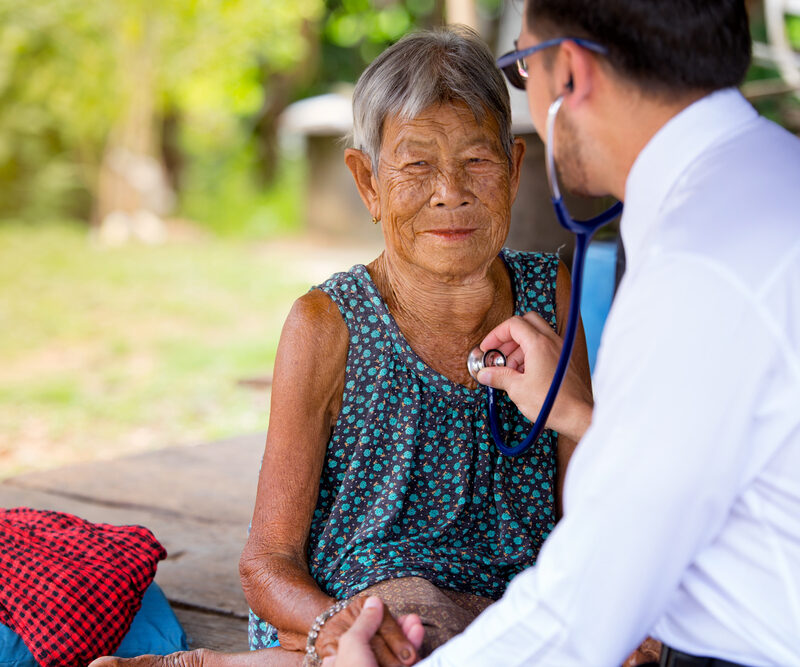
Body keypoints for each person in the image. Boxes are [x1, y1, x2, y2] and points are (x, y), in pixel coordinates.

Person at [89, 26, 597, 667]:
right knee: (413, 627)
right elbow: (266, 565)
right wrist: (335, 622)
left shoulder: (548, 297)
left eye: (477, 161)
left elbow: (590, 498)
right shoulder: (327, 325)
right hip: (371, 613)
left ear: (515, 169)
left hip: (519, 607)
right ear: (368, 184)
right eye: (416, 165)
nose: (450, 191)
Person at [327, 0, 800, 665]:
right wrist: (581, 411)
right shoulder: (774, 178)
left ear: (570, 73)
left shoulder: (698, 265)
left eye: (523, 67)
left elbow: (581, 614)